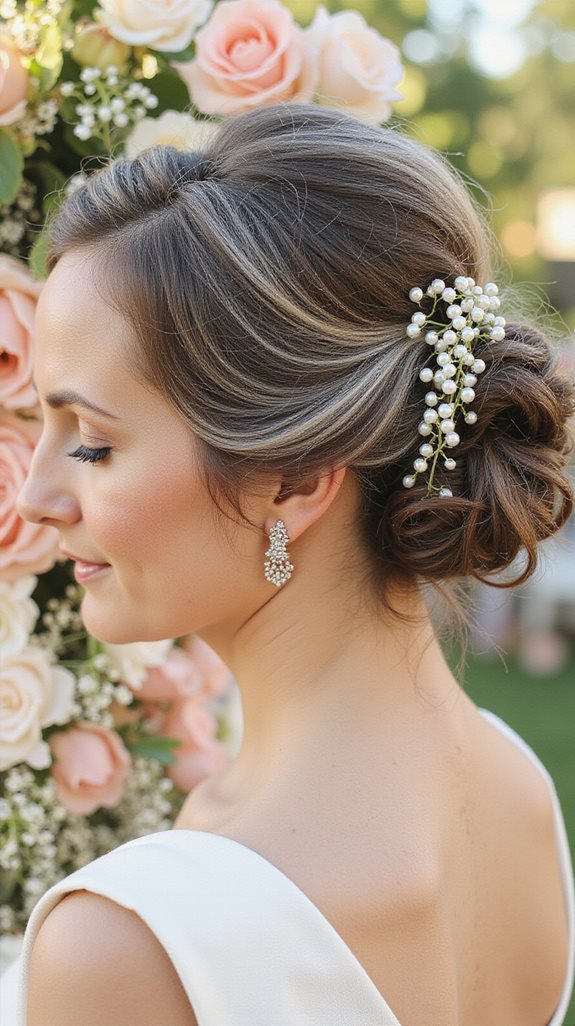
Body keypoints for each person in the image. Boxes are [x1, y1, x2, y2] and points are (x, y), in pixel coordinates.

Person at [13, 103, 575, 1026]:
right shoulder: (518, 790)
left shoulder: (129, 950)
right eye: (41, 424)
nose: (35, 496)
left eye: (94, 443)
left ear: (296, 478)